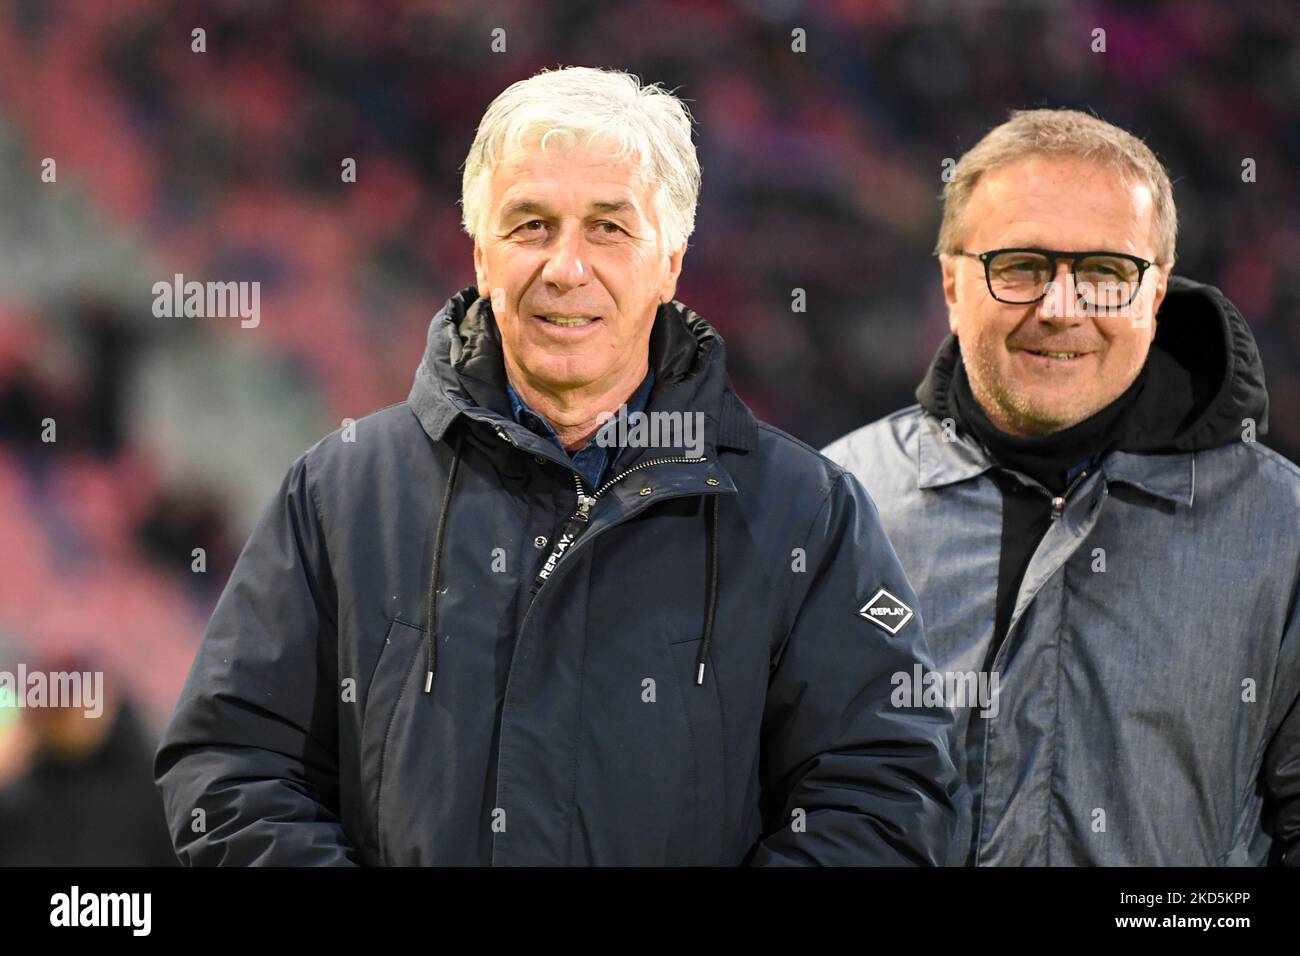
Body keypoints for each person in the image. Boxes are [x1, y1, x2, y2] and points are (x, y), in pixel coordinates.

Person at [155, 66, 966, 866]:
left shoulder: (805, 513)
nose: (566, 267)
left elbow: (881, 797)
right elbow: (232, 766)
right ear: (480, 254)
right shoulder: (340, 491)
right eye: (530, 225)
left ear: (671, 263)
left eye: (609, 228)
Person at [824, 108, 1300, 866]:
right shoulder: (836, 504)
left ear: (1156, 292)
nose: (1059, 309)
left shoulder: (1284, 531)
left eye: (1107, 274)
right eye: (1020, 267)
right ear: (951, 284)